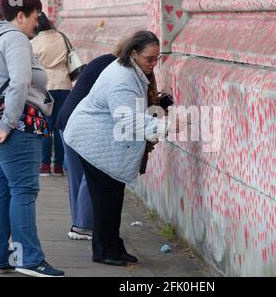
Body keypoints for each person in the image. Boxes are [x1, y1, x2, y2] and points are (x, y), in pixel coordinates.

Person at [63, 31, 186, 266]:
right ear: (133, 53)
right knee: (105, 198)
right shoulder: (122, 78)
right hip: (92, 142)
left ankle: (113, 247)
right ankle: (104, 251)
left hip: (100, 141)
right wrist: (167, 125)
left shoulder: (131, 72)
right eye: (149, 58)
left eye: (157, 58)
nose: (154, 64)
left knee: (111, 196)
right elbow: (128, 119)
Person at [0, 0, 64, 277]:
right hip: (17, 127)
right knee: (23, 191)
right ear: (21, 15)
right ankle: (28, 259)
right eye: (35, 16)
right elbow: (19, 84)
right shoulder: (15, 39)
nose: (37, 23)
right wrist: (6, 124)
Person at [56, 42, 126, 241]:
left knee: (77, 176)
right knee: (91, 173)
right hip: (82, 125)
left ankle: (79, 223)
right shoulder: (116, 69)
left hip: (67, 119)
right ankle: (84, 225)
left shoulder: (103, 60)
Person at [31, 12, 72, 177]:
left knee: (46, 128)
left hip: (44, 86)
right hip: (63, 84)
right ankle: (59, 167)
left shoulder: (34, 42)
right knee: (59, 127)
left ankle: (45, 165)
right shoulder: (62, 37)